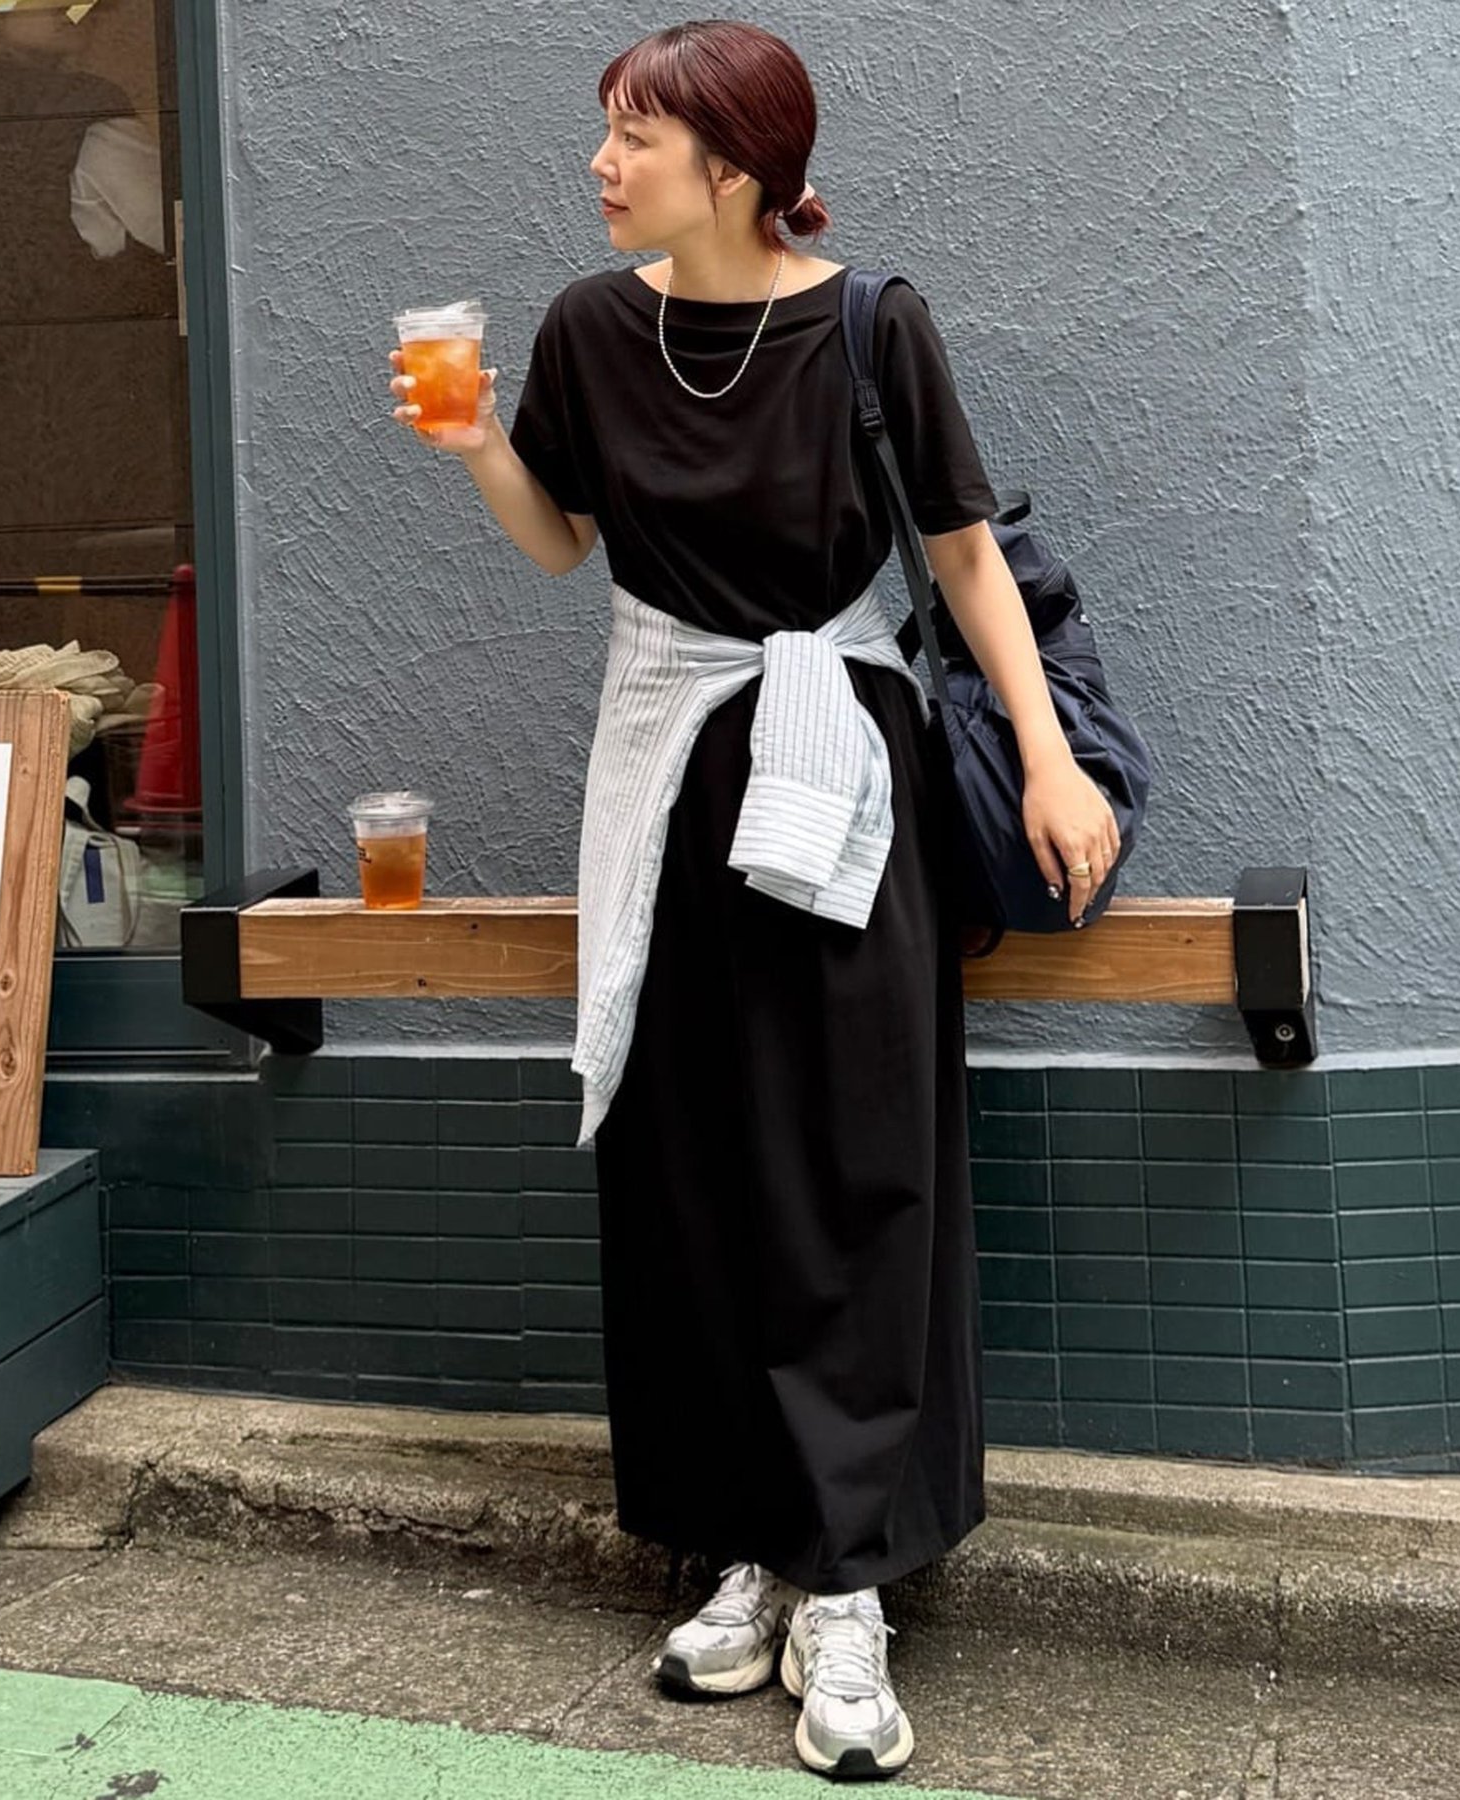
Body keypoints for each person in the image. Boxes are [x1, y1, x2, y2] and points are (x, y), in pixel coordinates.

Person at [387, 19, 1119, 1782]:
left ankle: (846, 1579)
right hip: (665, 769)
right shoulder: (587, 327)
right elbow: (565, 541)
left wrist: (1049, 759)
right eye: (607, 131)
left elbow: (960, 553)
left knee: (853, 1164)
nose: (600, 163)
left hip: (841, 764)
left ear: (732, 168)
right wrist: (478, 443)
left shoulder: (873, 322)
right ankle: (746, 1545)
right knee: (694, 1162)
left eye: (633, 135)